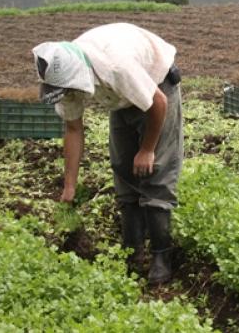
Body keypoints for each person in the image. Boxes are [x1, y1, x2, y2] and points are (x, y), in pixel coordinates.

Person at [33, 23, 182, 284]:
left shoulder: (116, 67)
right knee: (123, 168)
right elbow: (73, 128)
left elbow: (158, 103)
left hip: (157, 86)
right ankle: (132, 252)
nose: (67, 96)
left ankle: (161, 256)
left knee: (155, 171)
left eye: (68, 91)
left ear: (76, 78)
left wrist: (147, 150)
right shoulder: (63, 74)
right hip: (120, 99)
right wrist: (69, 187)